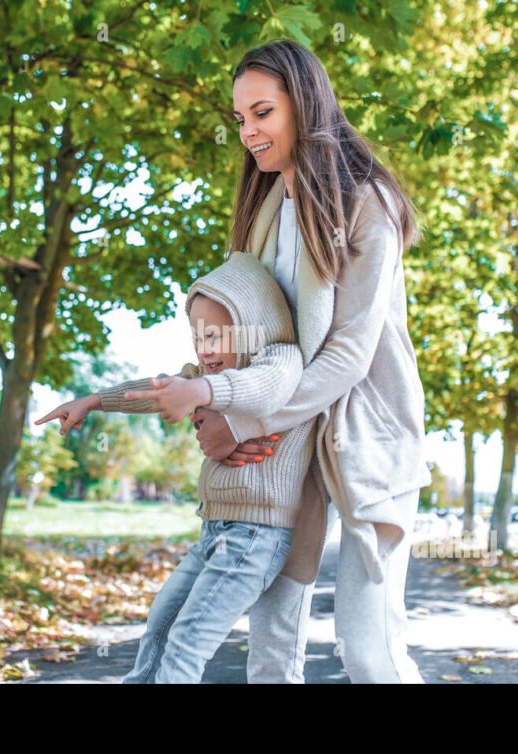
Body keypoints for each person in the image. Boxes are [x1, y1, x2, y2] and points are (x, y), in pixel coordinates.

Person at [137, 39, 433, 683]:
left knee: (370, 646)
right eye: (240, 118)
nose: (248, 132)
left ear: (303, 106)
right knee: (272, 641)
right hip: (287, 446)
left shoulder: (368, 202)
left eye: (262, 113)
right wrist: (216, 399)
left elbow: (350, 352)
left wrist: (245, 422)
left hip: (362, 437)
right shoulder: (270, 205)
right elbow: (256, 333)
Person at [35, 250, 321, 683]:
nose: (204, 351)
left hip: (256, 537)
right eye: (197, 339)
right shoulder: (203, 376)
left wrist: (202, 390)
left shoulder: (279, 359)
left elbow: (263, 388)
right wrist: (92, 401)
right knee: (162, 623)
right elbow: (155, 390)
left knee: (188, 640)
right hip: (216, 530)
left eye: (215, 337)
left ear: (253, 326)